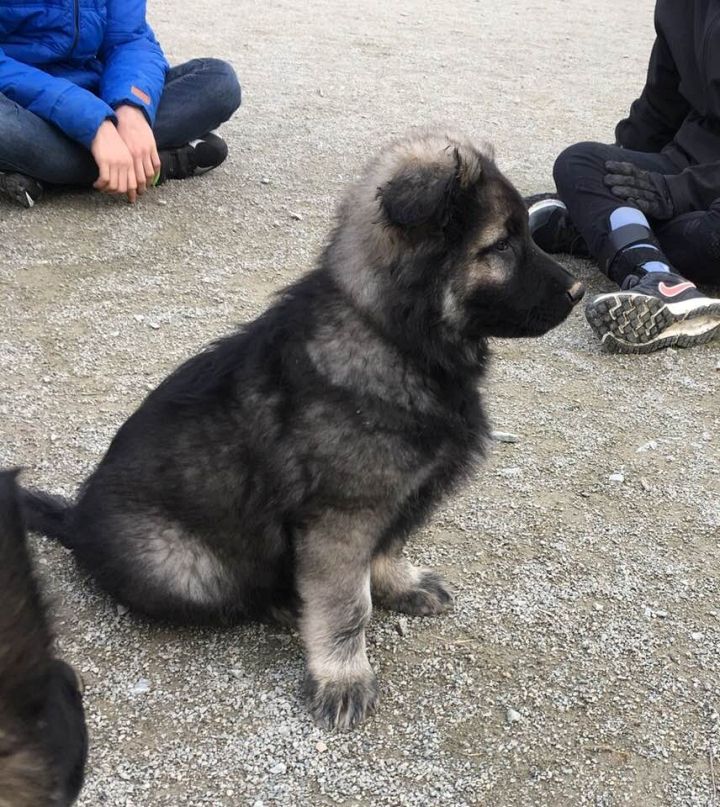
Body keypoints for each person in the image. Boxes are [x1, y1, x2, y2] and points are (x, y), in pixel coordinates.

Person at [528, 0, 720, 354]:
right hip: (689, 162)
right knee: (578, 162)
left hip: (706, 197)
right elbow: (661, 106)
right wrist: (605, 182)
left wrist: (677, 192)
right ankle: (659, 278)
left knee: (712, 234)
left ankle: (602, 231)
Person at [0, 0, 241, 209]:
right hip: (17, 102)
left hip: (98, 94)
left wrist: (131, 109)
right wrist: (93, 122)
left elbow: (130, 39)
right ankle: (159, 163)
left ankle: (51, 170)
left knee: (219, 84)